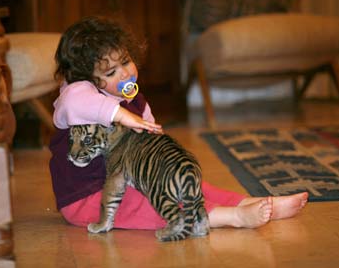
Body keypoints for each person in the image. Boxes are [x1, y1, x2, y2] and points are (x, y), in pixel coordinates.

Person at [49, 16, 308, 231]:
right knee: (150, 204)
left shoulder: (135, 101)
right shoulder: (74, 96)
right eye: (110, 72)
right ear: (86, 79)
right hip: (87, 198)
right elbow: (79, 104)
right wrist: (122, 116)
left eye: (126, 62)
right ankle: (229, 218)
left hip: (130, 181)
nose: (125, 73)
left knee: (187, 185)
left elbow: (150, 140)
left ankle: (249, 203)